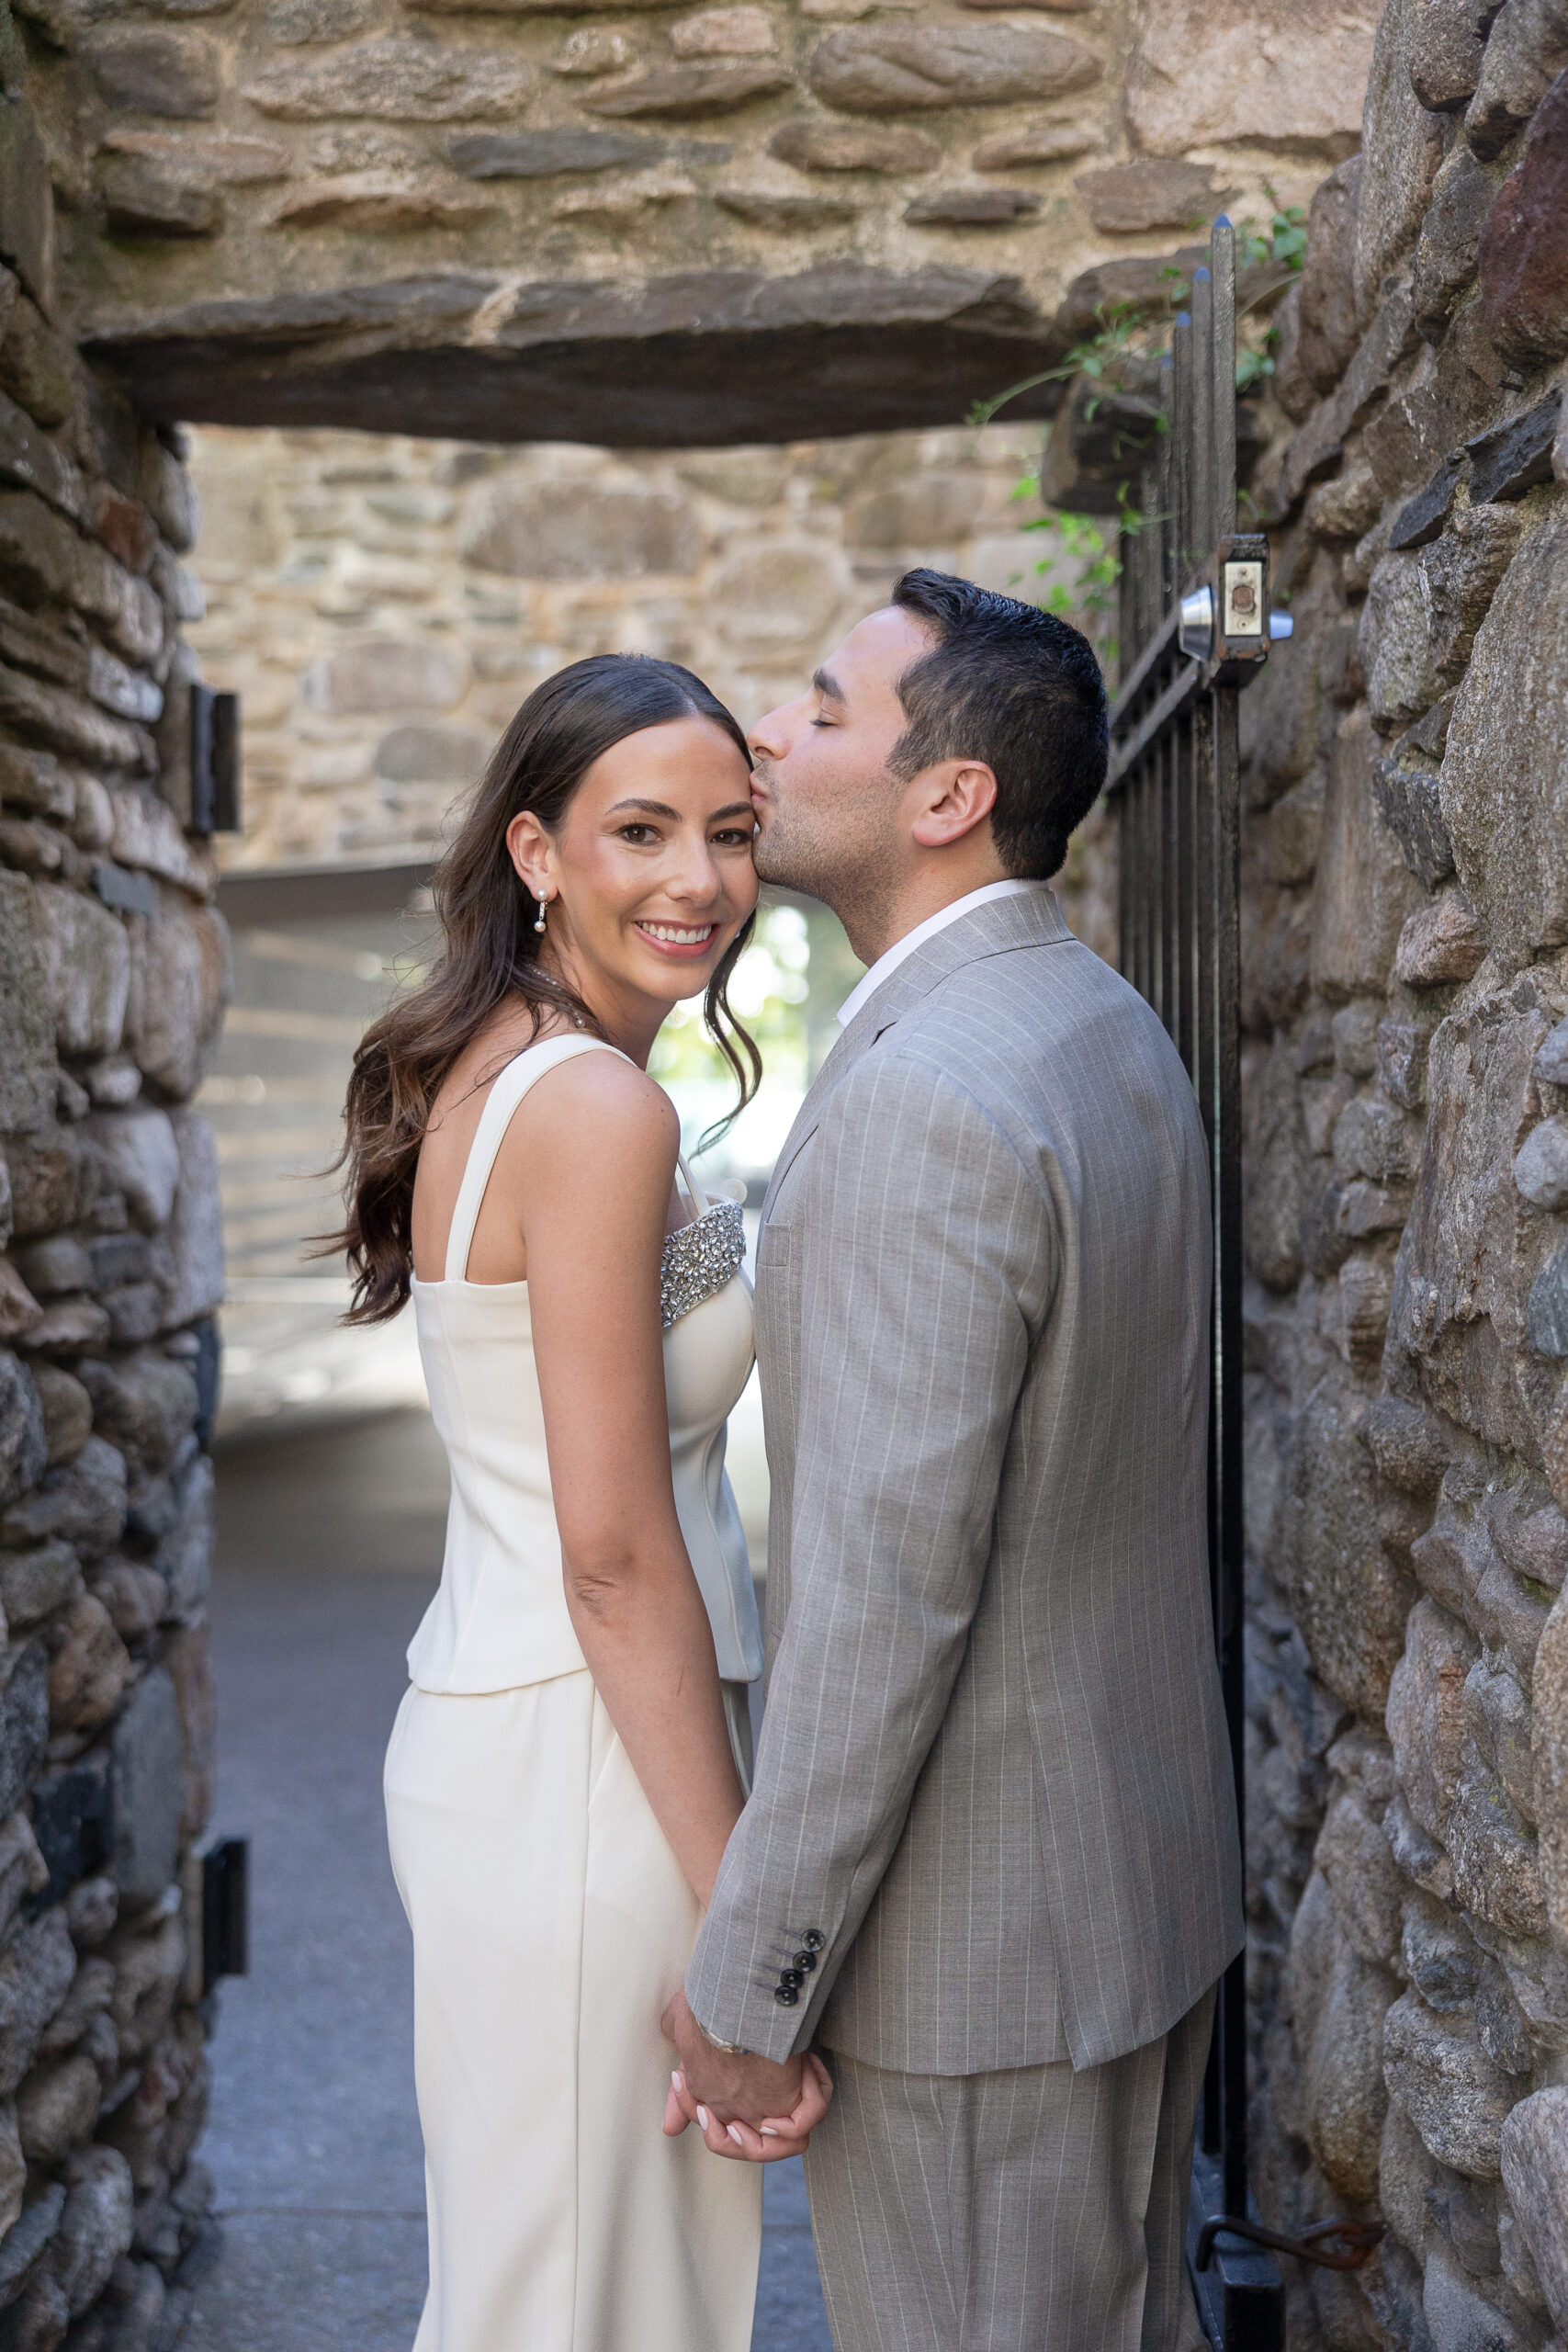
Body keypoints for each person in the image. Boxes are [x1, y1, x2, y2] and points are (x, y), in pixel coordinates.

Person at [663, 571, 1244, 2351]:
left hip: (975, 1971)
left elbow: (881, 1605)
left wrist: (751, 1981)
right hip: (1131, 1895)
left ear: (945, 794)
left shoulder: (924, 1092)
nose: (766, 731)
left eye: (821, 707)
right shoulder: (1095, 1019)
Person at [331, 653, 829, 2352]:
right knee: (585, 2311)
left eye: (733, 831)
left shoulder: (507, 1062)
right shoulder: (593, 1105)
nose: (699, 879)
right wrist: (745, 1923)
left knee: (554, 2292)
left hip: (522, 1741)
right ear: (538, 854)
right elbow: (612, 1559)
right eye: (641, 830)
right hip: (587, 1774)